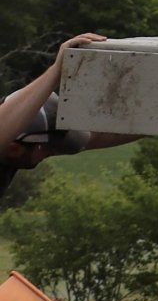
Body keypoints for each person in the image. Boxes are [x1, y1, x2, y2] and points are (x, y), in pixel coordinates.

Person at [0, 34, 108, 200]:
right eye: (47, 150)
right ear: (14, 149)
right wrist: (57, 70)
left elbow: (94, 137)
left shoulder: (16, 155)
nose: (51, 152)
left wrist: (153, 121)